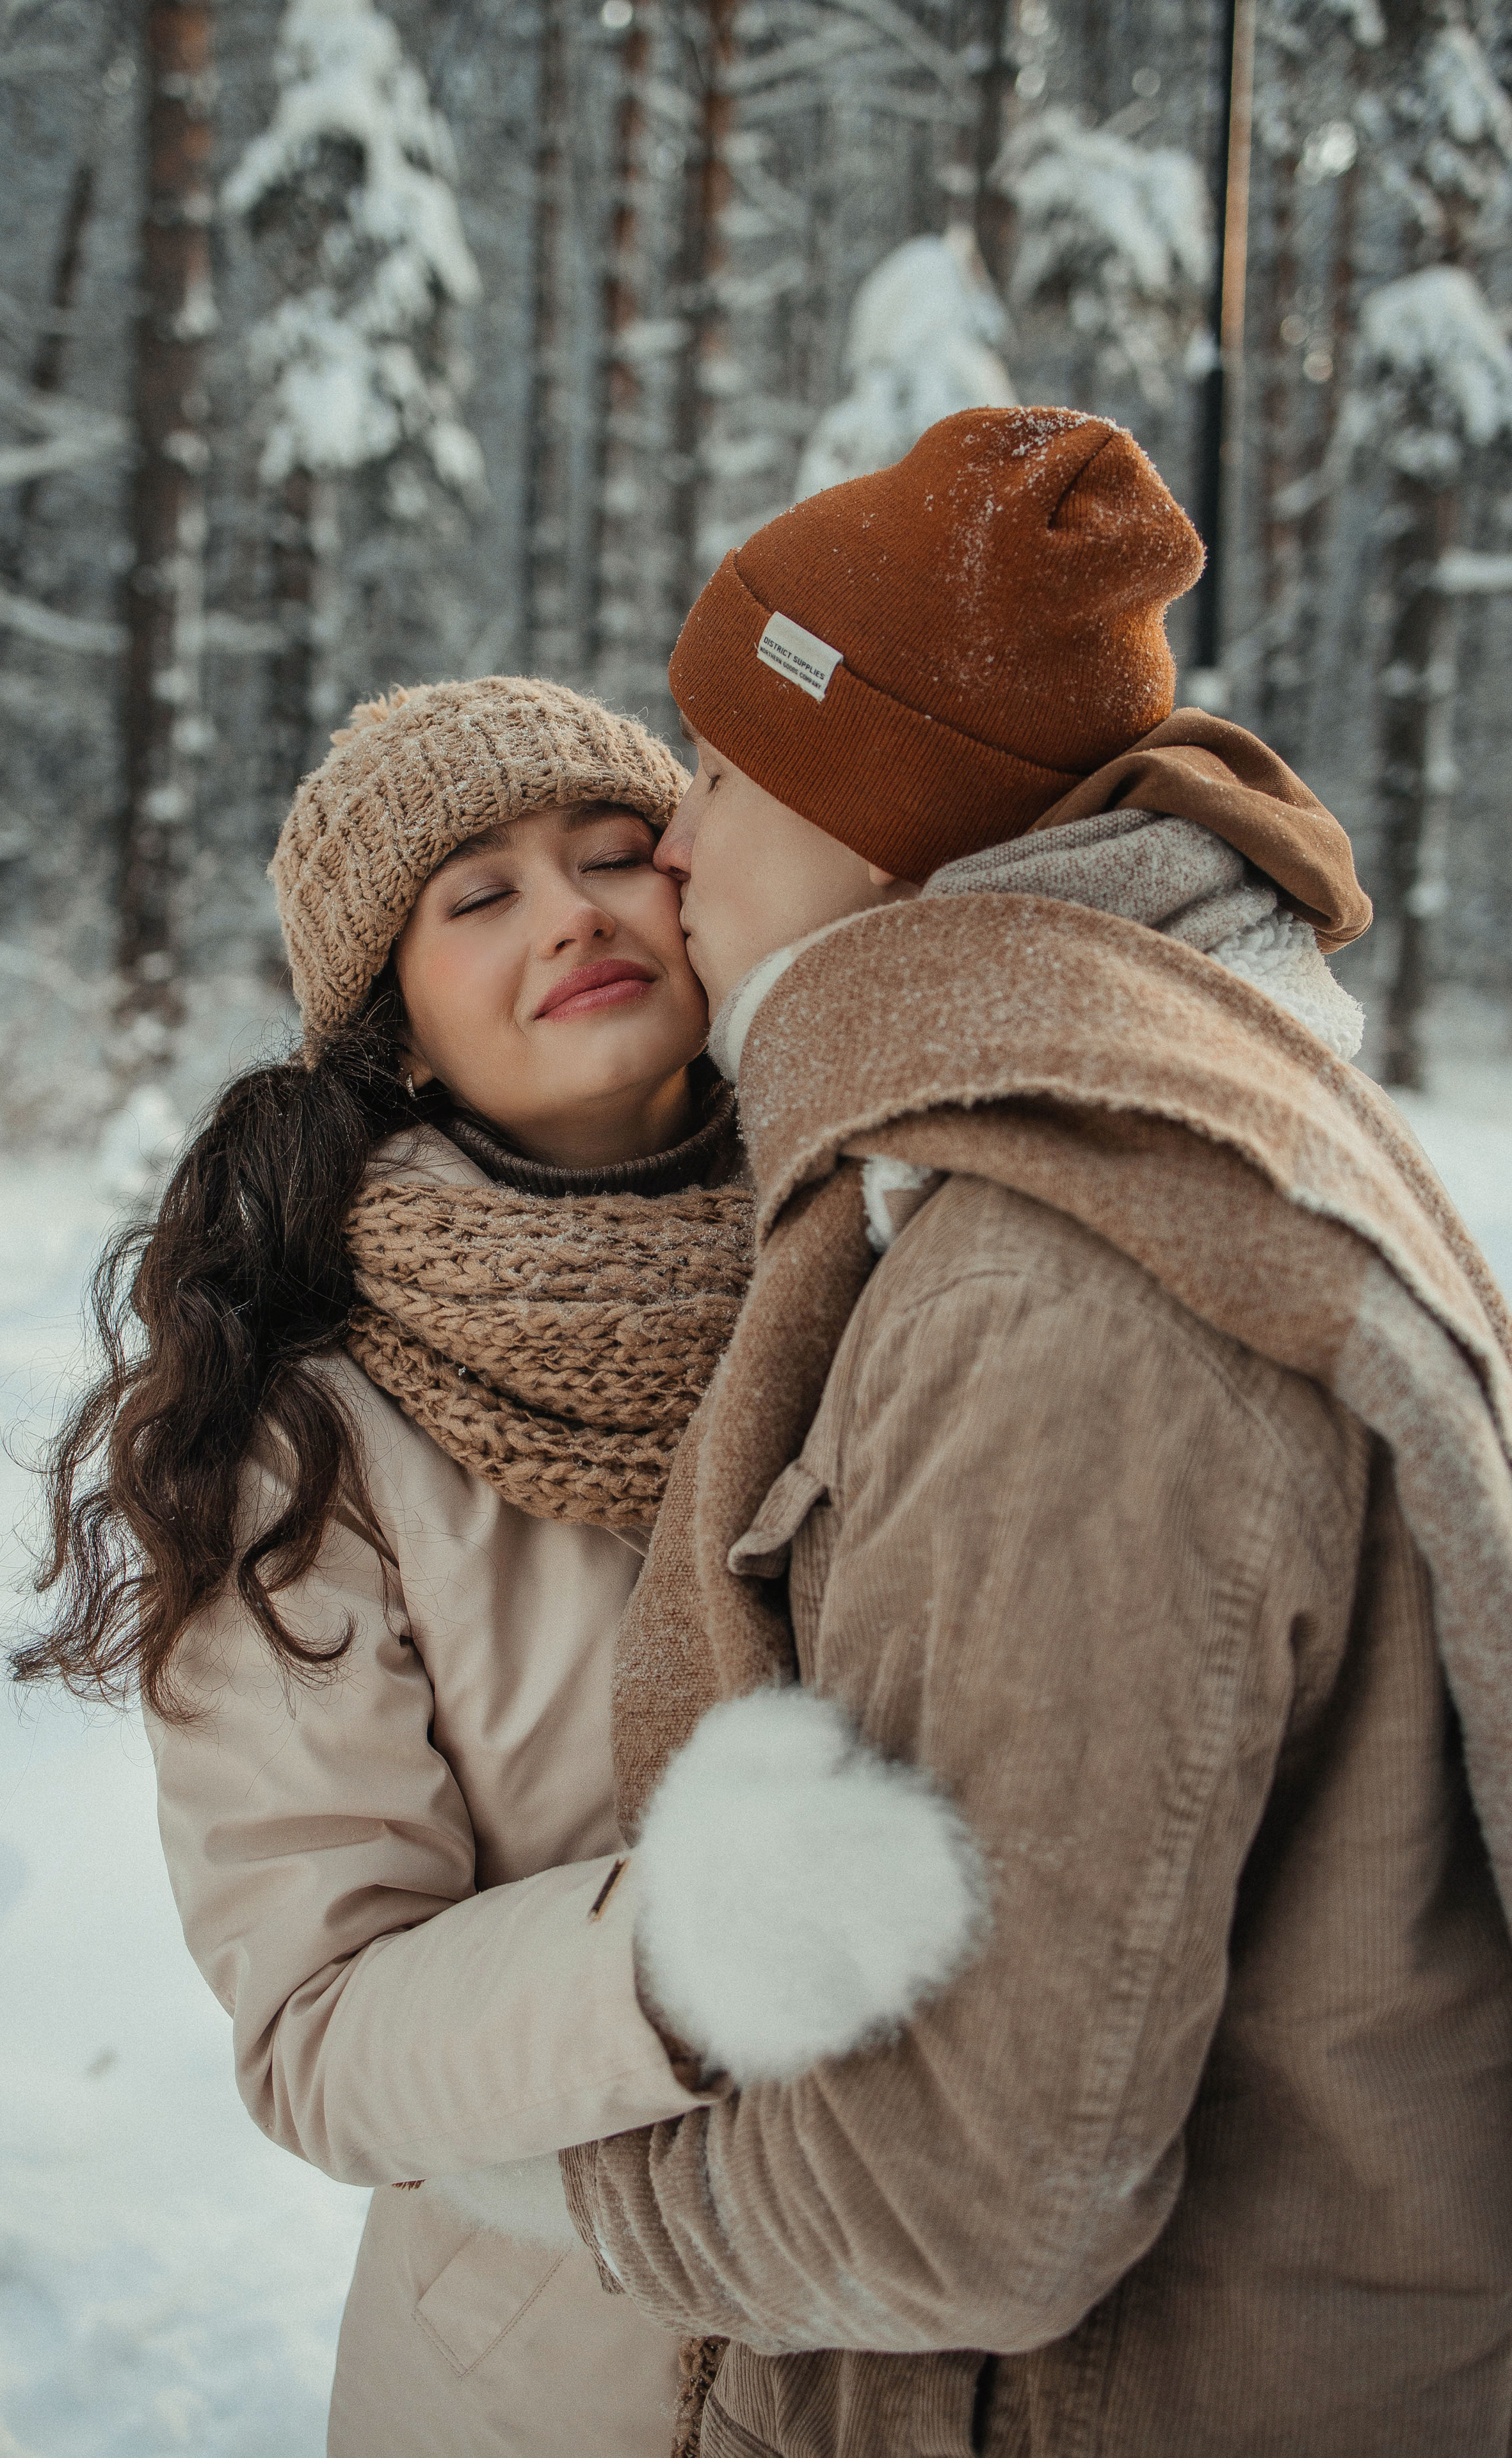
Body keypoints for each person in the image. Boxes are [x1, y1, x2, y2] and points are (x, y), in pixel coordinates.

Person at [554, 408, 1512, 2458]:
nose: (677, 848)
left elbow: (973, 2196)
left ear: (887, 815)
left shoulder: (1057, 1291)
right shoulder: (1134, 1122)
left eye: (727, 771)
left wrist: (564, 2189)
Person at [15, 678, 756, 2456]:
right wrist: (700, 1952)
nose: (573, 910)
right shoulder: (308, 1446)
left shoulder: (884, 1259)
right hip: (577, 2376)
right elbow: (326, 2031)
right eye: (477, 894)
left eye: (610, 855)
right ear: (397, 1033)